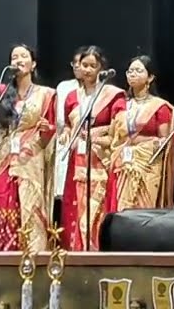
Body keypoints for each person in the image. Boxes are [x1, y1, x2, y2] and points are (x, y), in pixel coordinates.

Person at [0, 35, 57, 252]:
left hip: (30, 159)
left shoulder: (46, 94)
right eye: (14, 57)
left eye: (24, 56)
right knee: (4, 203)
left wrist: (46, 129)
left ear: (33, 64)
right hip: (5, 157)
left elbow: (53, 130)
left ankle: (32, 252)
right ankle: (4, 252)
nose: (19, 60)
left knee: (29, 204)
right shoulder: (3, 92)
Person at [58, 46, 124, 251]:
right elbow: (68, 125)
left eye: (92, 66)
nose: (87, 70)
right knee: (76, 205)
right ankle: (77, 250)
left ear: (101, 68)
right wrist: (66, 133)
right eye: (83, 65)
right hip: (77, 159)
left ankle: (97, 250)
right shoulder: (71, 96)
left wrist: (97, 136)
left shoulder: (113, 96)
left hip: (101, 159)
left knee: (97, 208)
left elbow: (120, 129)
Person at [108, 55, 174, 212]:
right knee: (123, 209)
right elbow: (114, 137)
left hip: (148, 165)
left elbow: (164, 141)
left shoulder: (160, 107)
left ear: (150, 77)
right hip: (123, 163)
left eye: (138, 71)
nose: (133, 74)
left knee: (144, 211)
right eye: (130, 71)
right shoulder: (120, 104)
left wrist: (143, 144)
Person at [53, 50, 82, 221]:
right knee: (61, 190)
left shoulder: (103, 90)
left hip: (90, 144)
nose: (78, 66)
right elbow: (59, 117)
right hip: (65, 140)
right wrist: (64, 131)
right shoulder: (64, 87)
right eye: (75, 63)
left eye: (82, 63)